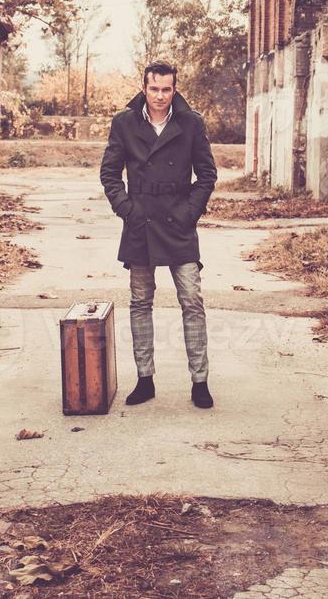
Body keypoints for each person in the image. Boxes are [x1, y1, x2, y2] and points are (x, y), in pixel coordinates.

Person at [99, 61, 218, 409]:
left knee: (192, 301)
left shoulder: (192, 123)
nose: (160, 97)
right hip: (141, 224)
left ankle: (200, 381)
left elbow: (207, 176)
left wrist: (187, 213)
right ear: (144, 87)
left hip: (178, 224)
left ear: (175, 89)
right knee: (140, 302)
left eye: (167, 90)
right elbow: (109, 174)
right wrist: (128, 210)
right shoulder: (124, 123)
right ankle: (145, 379)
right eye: (155, 89)